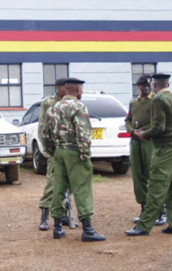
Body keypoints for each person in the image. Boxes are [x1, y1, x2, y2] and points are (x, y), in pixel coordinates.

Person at [42, 77, 106, 242]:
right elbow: (83, 133)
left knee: (58, 189)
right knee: (82, 189)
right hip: (74, 152)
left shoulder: (53, 107)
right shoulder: (78, 107)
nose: (82, 92)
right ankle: (88, 230)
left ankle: (57, 228)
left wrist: (52, 152)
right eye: (81, 90)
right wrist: (85, 155)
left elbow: (45, 133)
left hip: (59, 152)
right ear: (77, 90)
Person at [125, 73, 172, 236]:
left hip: (164, 147)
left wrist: (144, 134)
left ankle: (144, 226)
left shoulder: (158, 99)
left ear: (156, 85)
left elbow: (159, 127)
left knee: (156, 186)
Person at [125, 74, 166, 225]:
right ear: (139, 87)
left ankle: (161, 211)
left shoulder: (155, 101)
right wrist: (132, 131)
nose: (146, 88)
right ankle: (144, 209)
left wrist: (144, 131)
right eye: (143, 86)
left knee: (153, 175)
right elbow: (128, 120)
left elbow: (158, 122)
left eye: (149, 86)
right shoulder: (133, 103)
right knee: (138, 175)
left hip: (149, 141)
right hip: (136, 142)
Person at [37, 77, 68, 231]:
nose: (66, 90)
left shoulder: (71, 103)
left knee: (68, 184)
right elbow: (42, 128)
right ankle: (44, 214)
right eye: (64, 87)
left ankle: (62, 214)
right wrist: (48, 150)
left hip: (69, 149)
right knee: (52, 183)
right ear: (58, 88)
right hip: (54, 150)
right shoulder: (49, 103)